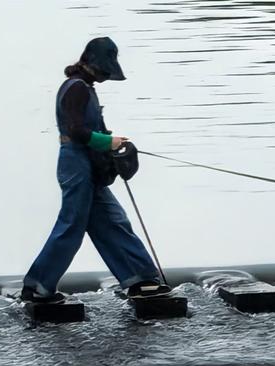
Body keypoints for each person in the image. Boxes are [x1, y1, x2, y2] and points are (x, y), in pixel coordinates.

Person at [22, 37, 171, 303]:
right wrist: (108, 142)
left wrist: (109, 143)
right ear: (93, 64)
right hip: (75, 163)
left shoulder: (86, 87)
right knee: (72, 226)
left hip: (89, 162)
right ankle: (37, 288)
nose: (106, 75)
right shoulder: (76, 88)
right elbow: (75, 131)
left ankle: (142, 281)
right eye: (105, 69)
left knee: (113, 220)